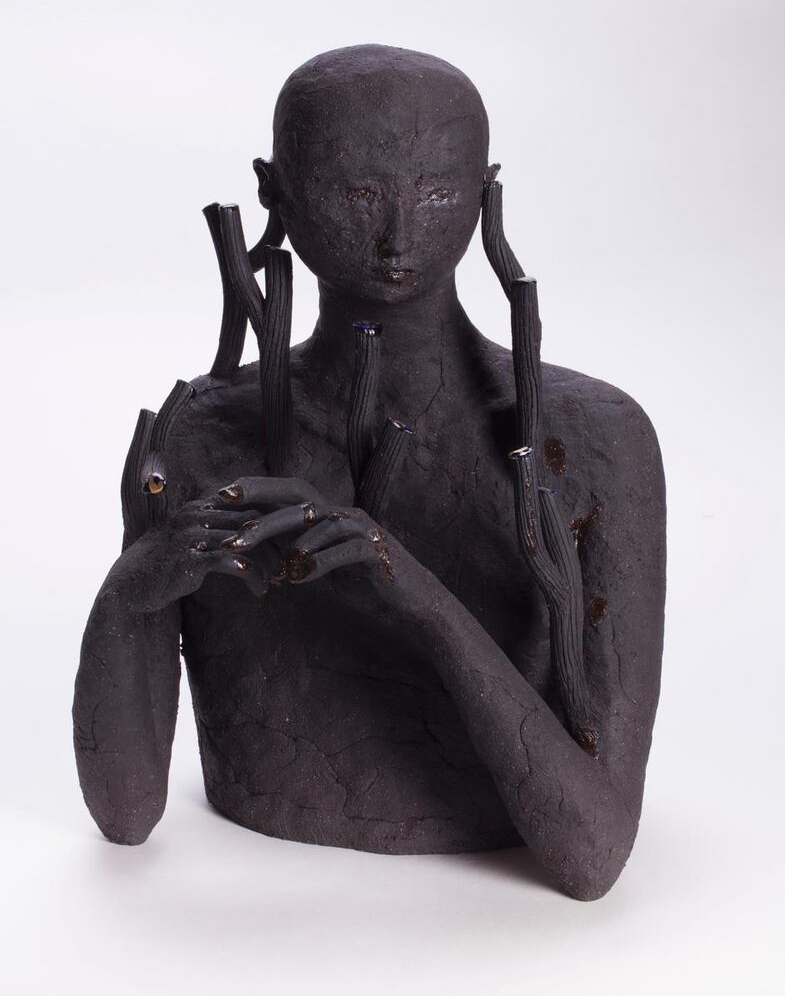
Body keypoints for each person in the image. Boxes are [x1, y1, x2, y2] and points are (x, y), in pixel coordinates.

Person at [73, 44, 665, 900]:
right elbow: (126, 816)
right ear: (274, 191)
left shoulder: (597, 439)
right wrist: (133, 589)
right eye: (357, 194)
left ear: (486, 193)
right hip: (261, 899)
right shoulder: (203, 432)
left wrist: (412, 590)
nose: (397, 235)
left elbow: (594, 854)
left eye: (437, 194)